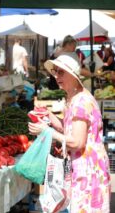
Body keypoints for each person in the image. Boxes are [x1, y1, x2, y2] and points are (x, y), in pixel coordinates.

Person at [29, 53, 111, 212]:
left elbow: (77, 142)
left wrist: (47, 131)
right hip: (87, 167)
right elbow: (70, 128)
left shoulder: (80, 102)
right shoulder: (74, 97)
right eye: (55, 72)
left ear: (73, 75)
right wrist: (50, 117)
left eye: (61, 72)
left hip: (88, 170)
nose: (56, 76)